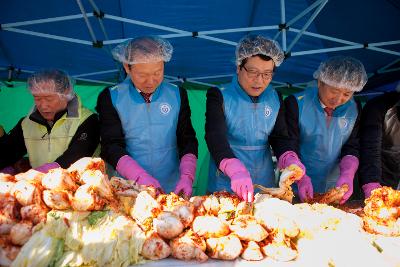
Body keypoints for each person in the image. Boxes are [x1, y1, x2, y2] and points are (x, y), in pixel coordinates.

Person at [96, 36, 198, 197]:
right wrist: (140, 178)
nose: (150, 81)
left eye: (158, 73)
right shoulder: (112, 97)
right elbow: (111, 146)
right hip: (129, 187)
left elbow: (187, 139)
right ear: (127, 67)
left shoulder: (177, 94)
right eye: (142, 75)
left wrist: (187, 176)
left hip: (172, 186)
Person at [205, 35, 296, 202]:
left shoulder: (275, 97)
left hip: (264, 183)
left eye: (267, 74)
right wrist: (234, 168)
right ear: (239, 67)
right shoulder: (219, 95)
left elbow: (279, 137)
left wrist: (288, 157)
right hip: (226, 182)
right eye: (253, 72)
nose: (259, 81)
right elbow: (215, 136)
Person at [285, 56, 367, 204]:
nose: (338, 99)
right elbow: (289, 143)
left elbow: (352, 145)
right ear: (320, 82)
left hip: (336, 186)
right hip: (299, 183)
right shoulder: (296, 103)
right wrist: (299, 177)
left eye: (347, 94)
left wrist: (348, 173)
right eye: (334, 91)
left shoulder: (354, 108)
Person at [0, 69, 100, 173]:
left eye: (49, 99)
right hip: (41, 186)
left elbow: (77, 155)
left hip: (83, 186)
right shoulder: (26, 123)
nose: (43, 106)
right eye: (37, 98)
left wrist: (39, 174)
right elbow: (7, 153)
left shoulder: (88, 120)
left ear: (66, 94)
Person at [359, 87, 400, 198]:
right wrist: (371, 183)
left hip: (395, 171)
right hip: (369, 172)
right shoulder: (377, 107)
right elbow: (370, 149)